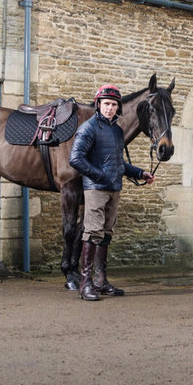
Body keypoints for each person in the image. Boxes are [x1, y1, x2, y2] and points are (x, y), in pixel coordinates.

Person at [69, 84, 154, 301]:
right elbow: (76, 159)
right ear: (98, 105)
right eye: (106, 104)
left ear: (118, 107)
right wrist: (100, 176)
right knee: (92, 233)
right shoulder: (88, 128)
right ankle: (85, 284)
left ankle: (101, 281)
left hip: (114, 189)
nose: (110, 108)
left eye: (114, 104)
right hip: (96, 189)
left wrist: (140, 173)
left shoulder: (116, 130)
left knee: (106, 234)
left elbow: (118, 162)